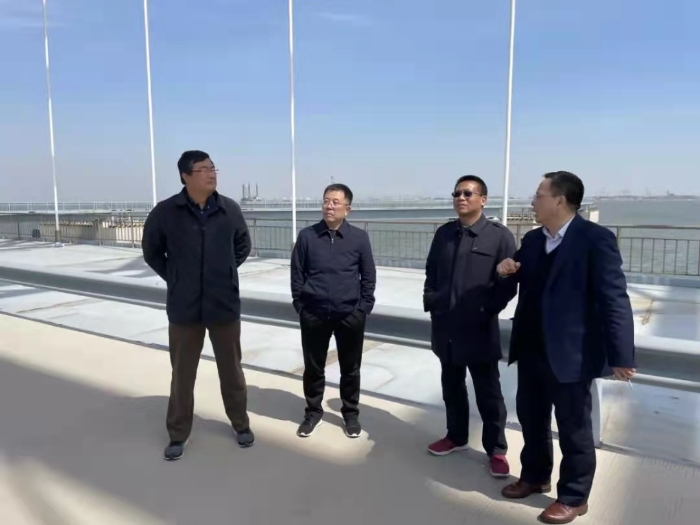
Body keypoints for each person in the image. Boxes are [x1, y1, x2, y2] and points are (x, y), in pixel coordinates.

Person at [497, 171, 636, 524]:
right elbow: (522, 272)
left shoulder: (595, 239)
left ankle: (574, 496)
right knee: (531, 419)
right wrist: (507, 268)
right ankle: (534, 476)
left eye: (539, 195)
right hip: (531, 348)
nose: (532, 201)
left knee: (574, 429)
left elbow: (614, 299)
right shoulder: (532, 240)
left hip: (573, 353)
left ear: (559, 200)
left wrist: (621, 354)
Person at [142, 150, 255, 461]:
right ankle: (178, 434)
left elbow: (243, 245)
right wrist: (177, 278)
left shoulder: (229, 209)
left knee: (232, 372)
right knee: (182, 375)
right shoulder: (166, 212)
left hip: (224, 305)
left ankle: (241, 424)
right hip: (184, 309)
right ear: (185, 176)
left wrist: (225, 272)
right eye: (203, 169)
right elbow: (152, 252)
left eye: (213, 168)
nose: (211, 173)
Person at [423, 174, 518, 478]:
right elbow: (431, 272)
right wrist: (433, 301)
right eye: (457, 193)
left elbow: (508, 284)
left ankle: (497, 450)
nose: (461, 198)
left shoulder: (499, 237)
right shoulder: (444, 234)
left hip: (479, 329)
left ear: (483, 200)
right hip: (446, 326)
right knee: (451, 387)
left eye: (468, 193)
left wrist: (485, 309)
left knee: (488, 393)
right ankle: (456, 436)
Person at [290, 183, 376, 438]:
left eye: (335, 202)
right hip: (314, 314)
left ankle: (350, 414)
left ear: (347, 209)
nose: (329, 206)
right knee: (313, 368)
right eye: (326, 201)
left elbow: (368, 276)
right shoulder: (307, 236)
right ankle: (313, 413)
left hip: (349, 315)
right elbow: (297, 273)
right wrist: (301, 305)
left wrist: (363, 308)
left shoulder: (359, 238)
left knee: (350, 368)